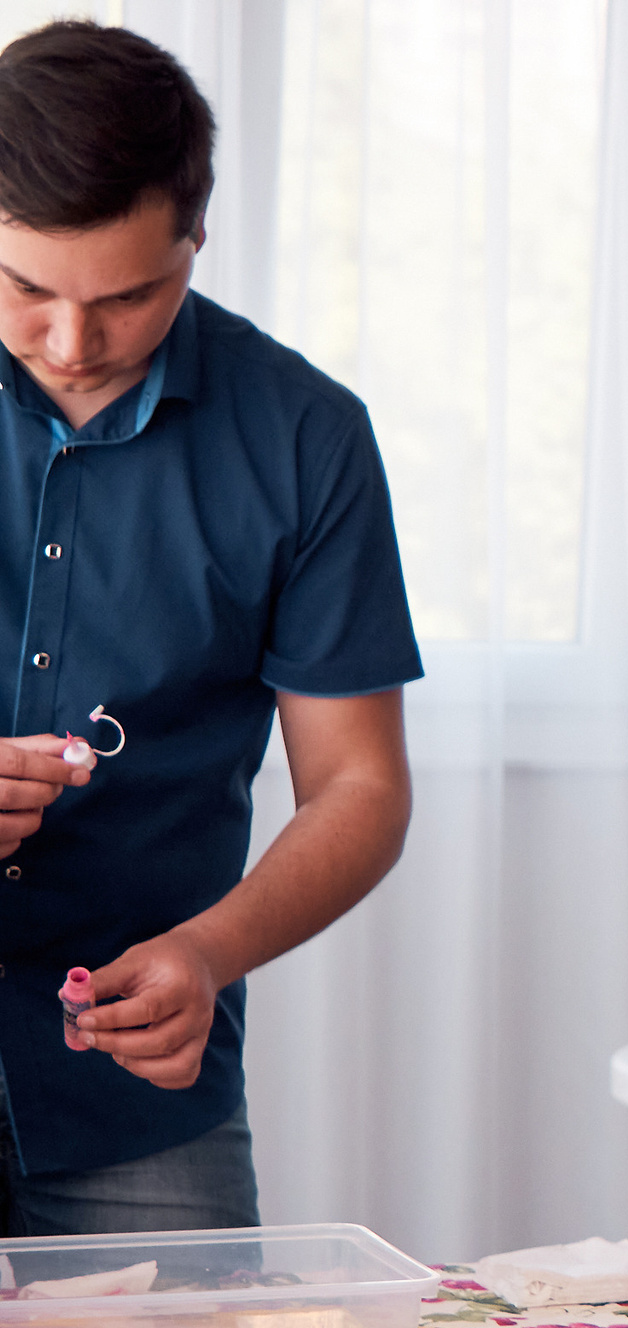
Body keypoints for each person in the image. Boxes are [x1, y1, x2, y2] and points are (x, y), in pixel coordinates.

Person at [0, 22, 419, 1237]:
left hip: (137, 1100)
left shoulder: (307, 437)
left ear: (199, 235)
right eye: (26, 291)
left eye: (129, 297)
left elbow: (358, 786)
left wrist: (210, 952)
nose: (74, 346)